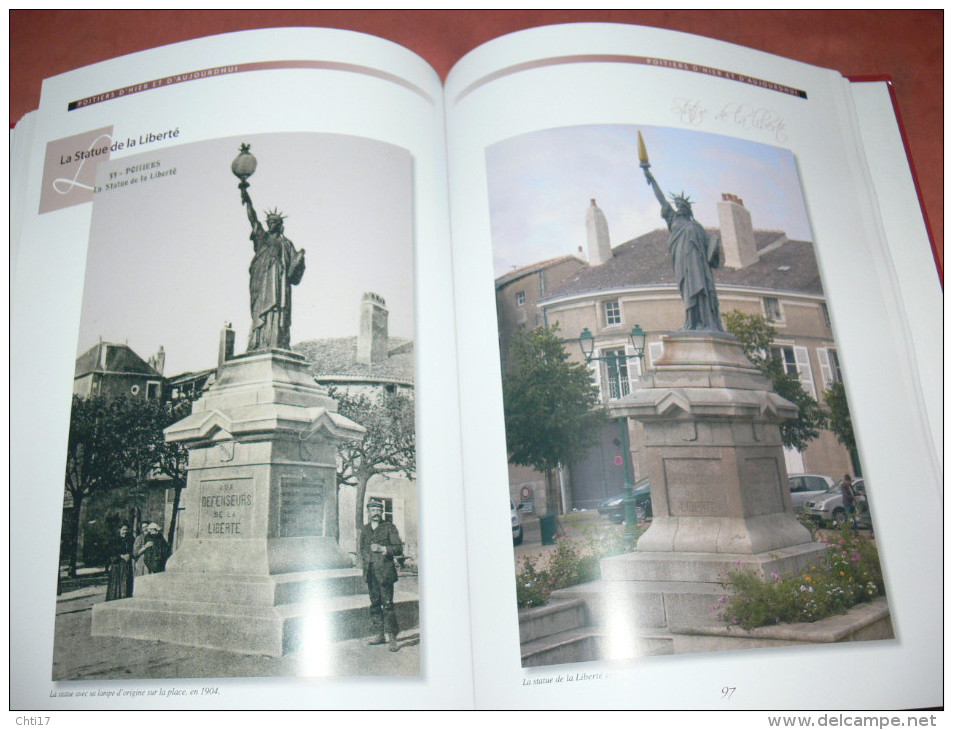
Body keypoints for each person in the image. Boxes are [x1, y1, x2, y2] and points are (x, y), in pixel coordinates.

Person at [642, 166, 724, 331]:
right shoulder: (673, 219)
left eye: (682, 205)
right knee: (688, 291)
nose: (679, 207)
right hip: (682, 263)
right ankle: (692, 322)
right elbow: (662, 200)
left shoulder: (697, 227)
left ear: (688, 209)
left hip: (699, 266)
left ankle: (706, 322)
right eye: (677, 205)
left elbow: (712, 256)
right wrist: (652, 179)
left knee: (703, 292)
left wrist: (714, 247)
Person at [240, 185, 305, 351]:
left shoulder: (286, 243)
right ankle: (259, 342)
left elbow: (293, 271)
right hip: (261, 279)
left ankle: (276, 341)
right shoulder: (262, 237)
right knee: (260, 309)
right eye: (268, 222)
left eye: (274, 222)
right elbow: (253, 219)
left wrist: (299, 259)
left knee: (277, 309)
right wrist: (246, 197)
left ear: (280, 224)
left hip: (279, 283)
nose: (270, 224)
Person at [359, 498, 404, 652]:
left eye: (378, 510)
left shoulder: (389, 527)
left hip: (385, 573)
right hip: (370, 573)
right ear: (368, 512)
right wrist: (366, 563)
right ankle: (379, 635)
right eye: (373, 510)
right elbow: (362, 549)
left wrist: (382, 549)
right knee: (374, 604)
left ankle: (392, 638)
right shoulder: (365, 529)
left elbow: (398, 548)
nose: (376, 513)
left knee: (388, 605)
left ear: (382, 511)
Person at [105, 524, 134, 601]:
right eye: (123, 529)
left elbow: (133, 551)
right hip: (117, 564)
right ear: (119, 530)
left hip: (127, 564)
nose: (125, 531)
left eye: (126, 530)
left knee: (126, 582)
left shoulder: (130, 540)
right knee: (116, 583)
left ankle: (125, 599)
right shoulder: (114, 540)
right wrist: (120, 556)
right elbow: (109, 552)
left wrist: (129, 555)